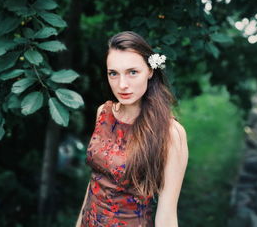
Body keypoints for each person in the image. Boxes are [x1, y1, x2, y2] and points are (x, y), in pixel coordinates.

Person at [75, 31, 189, 227]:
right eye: (113, 73)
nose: (122, 85)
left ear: (150, 71)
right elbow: (95, 181)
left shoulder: (171, 133)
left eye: (132, 72)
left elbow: (167, 215)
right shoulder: (104, 112)